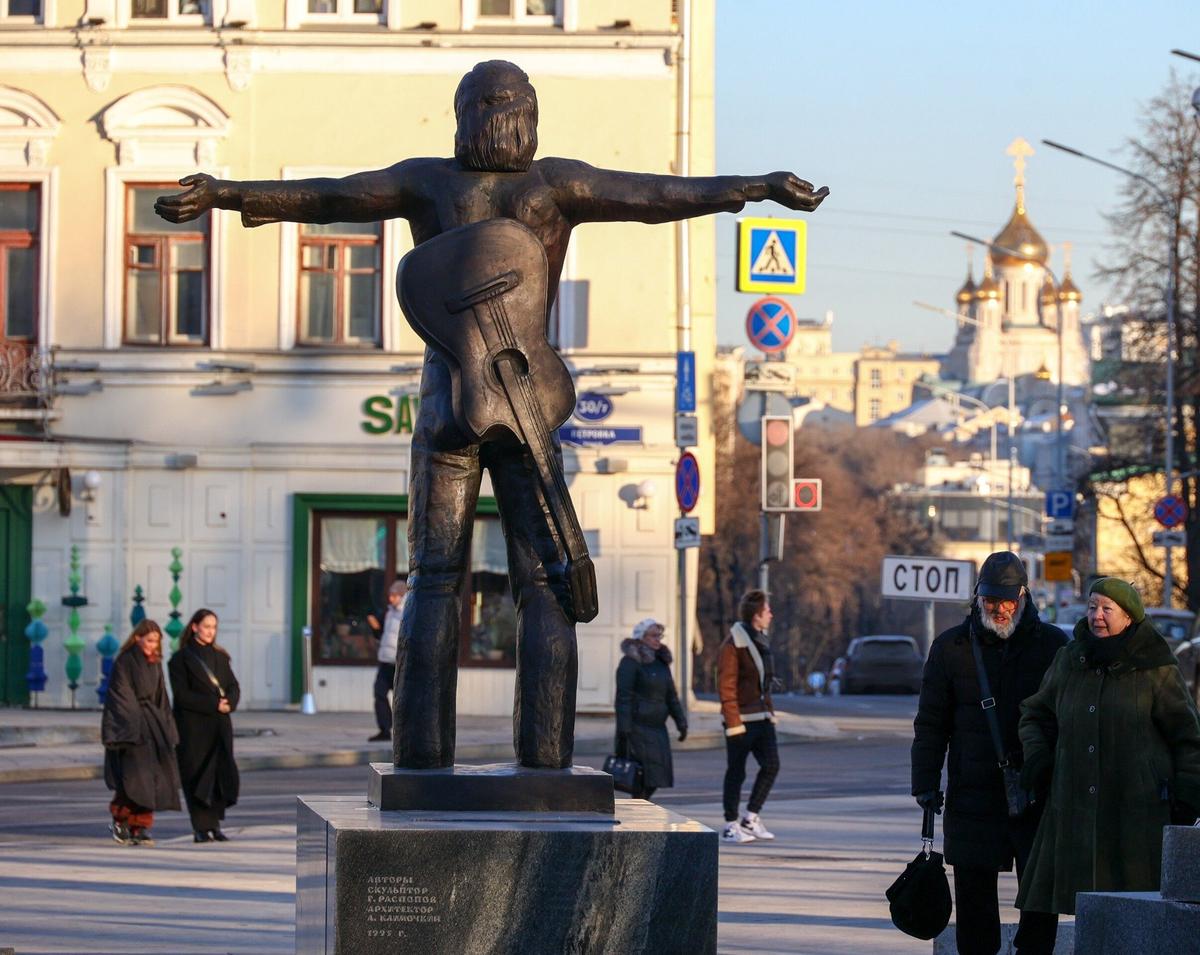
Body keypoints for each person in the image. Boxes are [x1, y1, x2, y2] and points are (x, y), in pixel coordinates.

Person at [155, 59, 828, 772]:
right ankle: (544, 760)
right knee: (543, 582)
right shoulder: (556, 184)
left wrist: (228, 192)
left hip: (449, 398)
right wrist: (753, 188)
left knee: (434, 577)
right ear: (526, 117)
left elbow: (332, 197)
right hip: (530, 397)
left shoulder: (430, 180)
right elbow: (658, 195)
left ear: (461, 116)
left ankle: (421, 756)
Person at [1016, 577, 1200, 922]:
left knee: (1133, 915)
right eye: (1091, 607)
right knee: (1068, 914)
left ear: (1129, 617)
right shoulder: (1070, 659)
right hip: (1073, 810)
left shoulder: (1155, 667)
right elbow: (1034, 713)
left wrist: (1189, 790)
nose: (1096, 616)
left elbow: (1186, 734)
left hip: (1135, 812)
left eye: (1106, 609)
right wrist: (1038, 757)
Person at [911, 551, 1064, 955]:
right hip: (972, 794)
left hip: (1036, 794)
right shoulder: (951, 648)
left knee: (1039, 895)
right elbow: (930, 724)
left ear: (1024, 596)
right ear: (978, 598)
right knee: (975, 902)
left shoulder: (1052, 646)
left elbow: (1069, 720)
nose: (998, 609)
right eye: (990, 600)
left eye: (1007, 600)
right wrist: (925, 785)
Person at [101, 619, 181, 846]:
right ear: (137, 638)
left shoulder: (155, 663)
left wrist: (167, 728)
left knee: (152, 781)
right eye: (149, 640)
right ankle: (122, 821)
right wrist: (134, 725)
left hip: (153, 727)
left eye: (156, 641)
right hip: (133, 731)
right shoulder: (125, 662)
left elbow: (161, 696)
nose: (153, 645)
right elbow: (120, 697)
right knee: (132, 781)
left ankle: (142, 826)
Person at [169, 608, 241, 843]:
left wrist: (229, 703)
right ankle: (200, 827)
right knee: (196, 775)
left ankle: (215, 825)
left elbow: (233, 686)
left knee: (219, 774)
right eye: (206, 626)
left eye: (213, 627)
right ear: (194, 627)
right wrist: (213, 704)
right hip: (193, 728)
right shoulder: (180, 659)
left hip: (219, 725)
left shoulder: (221, 656)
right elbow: (181, 696)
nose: (210, 631)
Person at [719, 589, 780, 844]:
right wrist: (733, 722)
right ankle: (730, 824)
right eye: (767, 611)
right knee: (736, 771)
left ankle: (750, 817)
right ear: (756, 615)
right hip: (741, 720)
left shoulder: (760, 640)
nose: (771, 615)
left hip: (762, 716)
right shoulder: (734, 644)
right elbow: (726, 685)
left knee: (771, 765)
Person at [613, 618, 687, 800]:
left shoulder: (661, 663)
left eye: (659, 636)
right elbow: (623, 697)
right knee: (641, 777)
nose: (658, 640)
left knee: (656, 777)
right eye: (653, 636)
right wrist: (624, 728)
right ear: (641, 637)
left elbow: (671, 695)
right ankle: (637, 814)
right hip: (638, 728)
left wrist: (681, 722)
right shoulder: (630, 663)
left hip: (657, 729)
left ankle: (639, 810)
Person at [369, 579, 407, 743]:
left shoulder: (406, 612)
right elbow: (382, 635)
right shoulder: (389, 612)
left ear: (402, 596)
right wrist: (375, 627)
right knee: (379, 693)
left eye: (394, 595)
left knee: (403, 699)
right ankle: (385, 729)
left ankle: (406, 732)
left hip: (399, 664)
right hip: (385, 661)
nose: (391, 598)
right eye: (390, 595)